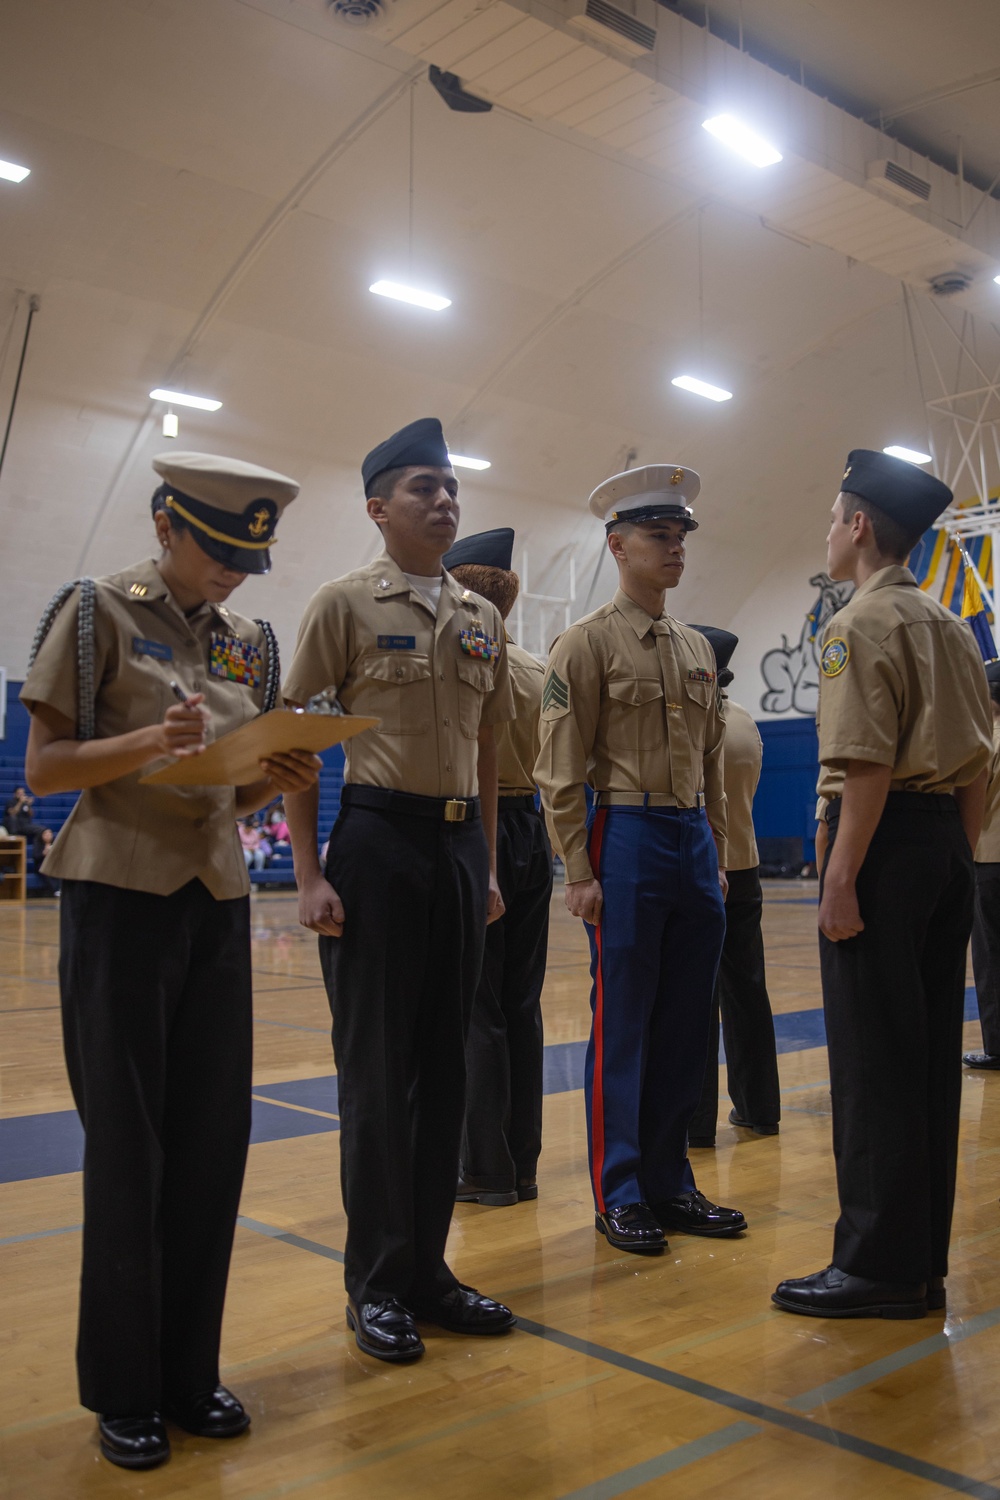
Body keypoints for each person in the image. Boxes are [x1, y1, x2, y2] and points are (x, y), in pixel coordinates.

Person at [20, 451, 321, 1469]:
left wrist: (269, 778)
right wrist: (150, 741)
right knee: (129, 1150)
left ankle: (190, 1372)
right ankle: (124, 1387)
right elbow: (49, 765)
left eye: (250, 555)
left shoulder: (251, 643)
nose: (235, 571)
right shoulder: (99, 610)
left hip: (215, 897)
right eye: (220, 547)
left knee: (209, 1145)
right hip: (118, 895)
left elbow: (225, 793)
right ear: (165, 522)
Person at [282, 417, 517, 1364]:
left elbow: (492, 751)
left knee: (447, 1069)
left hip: (459, 852)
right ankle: (375, 1282)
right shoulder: (342, 604)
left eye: (451, 486)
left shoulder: (481, 618)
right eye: (423, 487)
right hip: (375, 844)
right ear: (379, 508)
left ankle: (429, 1270)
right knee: (378, 1077)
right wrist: (306, 874)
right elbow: (294, 739)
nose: (445, 501)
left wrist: (491, 864)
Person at [773, 449, 992, 1321]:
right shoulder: (947, 624)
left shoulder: (854, 627)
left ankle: (873, 1264)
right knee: (930, 1059)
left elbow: (862, 762)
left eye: (833, 518)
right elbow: (981, 765)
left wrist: (842, 876)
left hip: (883, 843)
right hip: (942, 845)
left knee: (873, 1062)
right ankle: (918, 1259)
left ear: (859, 526)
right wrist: (957, 856)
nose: (828, 533)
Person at [534, 464, 746, 1254]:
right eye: (660, 536)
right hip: (624, 836)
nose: (676, 549)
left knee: (687, 1024)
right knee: (624, 1022)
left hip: (691, 842)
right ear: (618, 545)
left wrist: (716, 852)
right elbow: (559, 767)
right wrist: (577, 871)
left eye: (682, 535)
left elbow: (713, 759)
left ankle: (671, 1182)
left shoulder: (695, 648)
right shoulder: (583, 646)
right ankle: (619, 1189)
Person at [443, 527, 553, 1207]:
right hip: (530, 831)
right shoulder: (540, 670)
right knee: (522, 1006)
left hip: (474, 827)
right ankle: (524, 1162)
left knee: (477, 1008)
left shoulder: (457, 656)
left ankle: (484, 1168)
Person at [687, 626, 780, 1147]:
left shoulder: (695, 719)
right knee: (748, 990)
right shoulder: (745, 721)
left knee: (696, 996)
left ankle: (696, 1121)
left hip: (703, 865)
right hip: (746, 864)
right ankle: (760, 1106)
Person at [963, 659, 1000, 1070]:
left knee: (991, 957)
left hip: (989, 855)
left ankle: (997, 1045)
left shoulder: (986, 741)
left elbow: (976, 795)